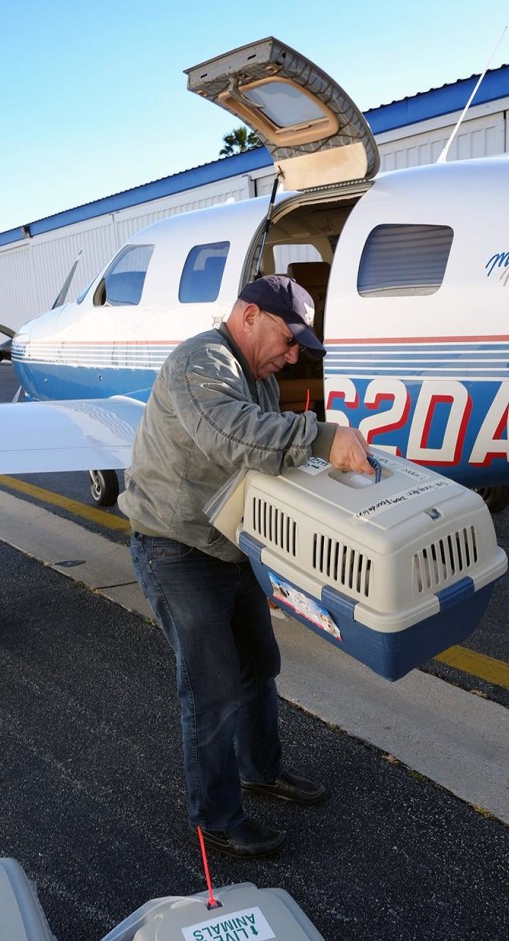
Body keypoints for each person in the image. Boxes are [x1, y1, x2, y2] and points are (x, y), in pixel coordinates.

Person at [119, 275, 374, 858]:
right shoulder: (202, 362)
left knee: (259, 664)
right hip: (176, 546)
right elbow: (237, 439)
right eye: (288, 342)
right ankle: (215, 816)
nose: (291, 357)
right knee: (211, 689)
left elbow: (267, 465)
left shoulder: (253, 376)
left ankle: (261, 770)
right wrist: (324, 434)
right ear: (249, 315)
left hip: (231, 544)